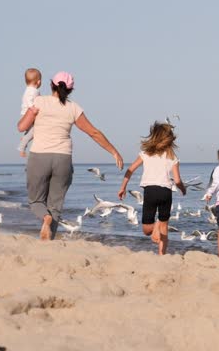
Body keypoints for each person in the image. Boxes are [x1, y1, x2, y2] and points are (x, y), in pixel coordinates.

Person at [17, 71, 123, 240]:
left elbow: (22, 127)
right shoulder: (73, 108)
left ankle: (45, 218)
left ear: (51, 85)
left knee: (36, 201)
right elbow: (93, 132)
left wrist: (31, 116)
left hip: (39, 156)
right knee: (55, 206)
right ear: (70, 90)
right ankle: (48, 240)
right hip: (63, 159)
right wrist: (114, 151)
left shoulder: (39, 101)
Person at [117, 122, 186, 255]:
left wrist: (123, 187)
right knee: (163, 225)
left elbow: (130, 170)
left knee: (146, 230)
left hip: (150, 192)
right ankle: (161, 252)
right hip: (166, 193)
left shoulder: (145, 153)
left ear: (153, 136)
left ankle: (157, 234)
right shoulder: (173, 157)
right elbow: (177, 180)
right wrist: (183, 189)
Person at [17, 68, 42, 157]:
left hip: (29, 114)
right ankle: (22, 147)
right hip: (27, 114)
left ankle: (25, 138)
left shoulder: (31, 89)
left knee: (34, 131)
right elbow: (28, 100)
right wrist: (32, 108)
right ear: (38, 82)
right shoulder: (31, 90)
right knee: (34, 131)